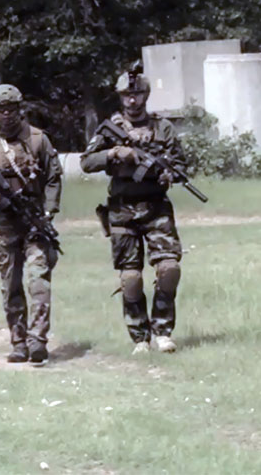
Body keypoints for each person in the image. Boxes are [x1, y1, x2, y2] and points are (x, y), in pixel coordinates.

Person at [80, 67, 185, 354]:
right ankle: (140, 337)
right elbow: (86, 162)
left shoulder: (163, 128)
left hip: (156, 207)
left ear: (146, 96)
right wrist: (114, 153)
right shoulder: (110, 128)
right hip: (122, 210)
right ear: (120, 97)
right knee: (131, 278)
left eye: (137, 94)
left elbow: (181, 164)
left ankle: (163, 331)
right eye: (127, 95)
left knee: (169, 268)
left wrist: (169, 174)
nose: (132, 100)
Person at [0, 84, 63, 365]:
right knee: (11, 285)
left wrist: (48, 212)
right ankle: (18, 341)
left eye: (11, 108)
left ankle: (37, 340)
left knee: (38, 281)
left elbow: (53, 178)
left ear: (20, 109)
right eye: (1, 109)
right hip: (5, 225)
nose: (6, 114)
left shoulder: (38, 140)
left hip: (34, 222)